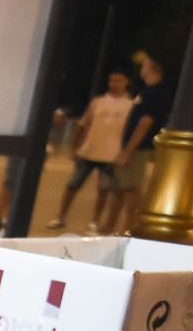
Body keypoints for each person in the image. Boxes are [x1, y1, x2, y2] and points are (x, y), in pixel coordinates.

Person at [47, 67, 133, 232]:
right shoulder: (97, 102)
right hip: (89, 152)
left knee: (104, 190)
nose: (114, 84)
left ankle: (94, 221)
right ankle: (60, 216)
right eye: (111, 80)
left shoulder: (130, 105)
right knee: (72, 185)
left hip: (110, 155)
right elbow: (83, 125)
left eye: (118, 80)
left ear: (126, 82)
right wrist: (75, 147)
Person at [100, 55, 174, 236]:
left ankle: (128, 227)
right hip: (129, 147)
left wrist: (128, 150)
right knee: (117, 187)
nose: (142, 68)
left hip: (138, 148)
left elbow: (145, 122)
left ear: (153, 68)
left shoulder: (155, 92)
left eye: (146, 65)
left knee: (130, 187)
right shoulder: (147, 91)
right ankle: (109, 227)